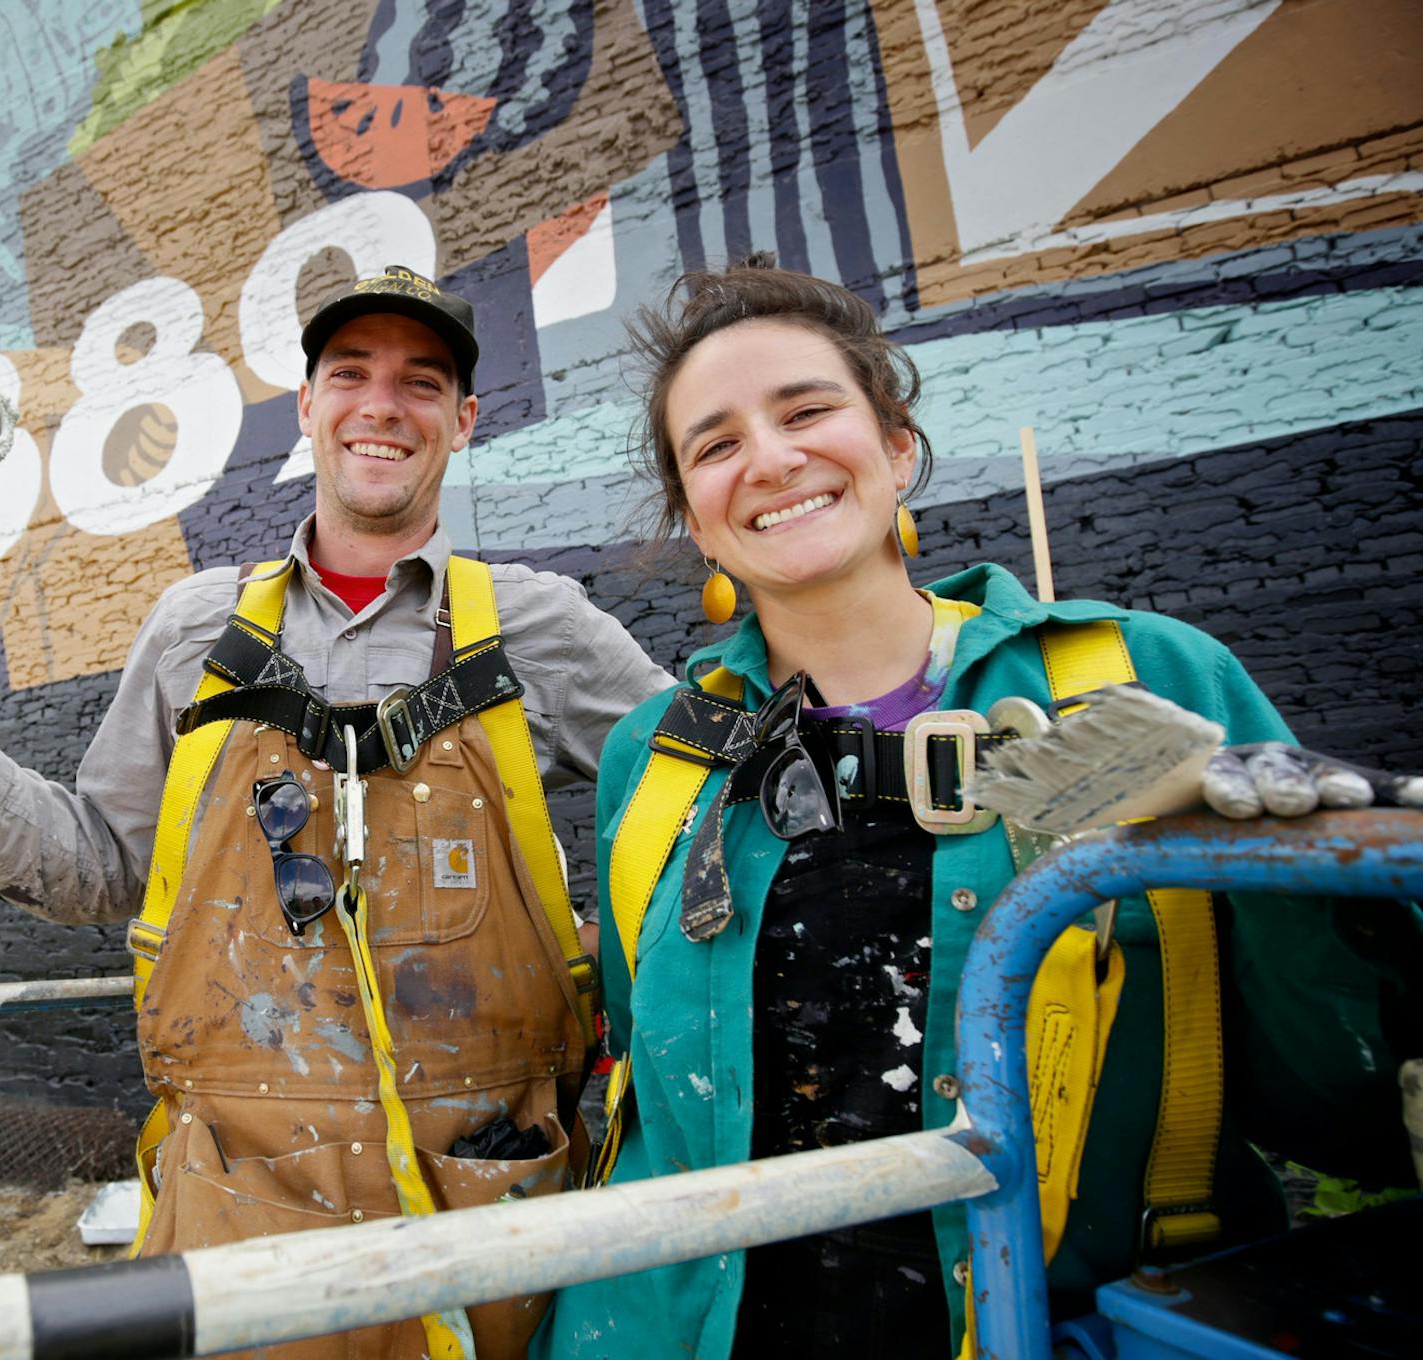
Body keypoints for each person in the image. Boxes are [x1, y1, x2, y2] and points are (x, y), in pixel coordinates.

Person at [533, 258, 1422, 1358]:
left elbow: (1348, 1112)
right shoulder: (659, 757)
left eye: (806, 412)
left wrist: (1326, 894)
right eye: (714, 446)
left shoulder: (1144, 678)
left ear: (898, 447)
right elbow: (656, 1099)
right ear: (696, 523)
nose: (769, 459)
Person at [0, 265, 671, 1358]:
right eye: (351, 374)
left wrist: (603, 954)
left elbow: (697, 822)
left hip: (492, 1209)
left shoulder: (542, 628)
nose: (383, 405)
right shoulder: (197, 628)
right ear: (309, 407)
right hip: (239, 1209)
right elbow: (103, 865)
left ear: (465, 420)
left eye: (422, 382)